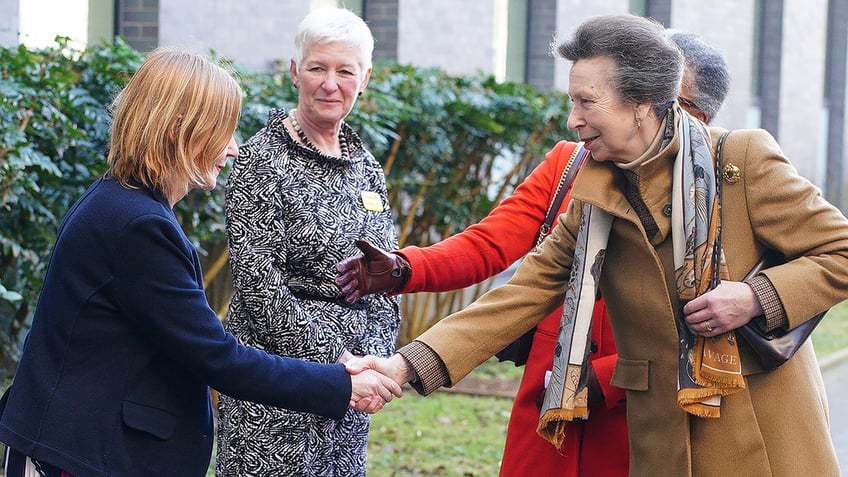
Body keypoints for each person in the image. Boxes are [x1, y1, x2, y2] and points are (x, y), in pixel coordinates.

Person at [347, 13, 847, 476]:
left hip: (760, 434)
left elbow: (840, 252)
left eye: (586, 102)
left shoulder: (741, 160)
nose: (572, 119)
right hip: (662, 444)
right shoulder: (596, 193)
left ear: (642, 103)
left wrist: (755, 297)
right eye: (573, 101)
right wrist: (404, 364)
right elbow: (520, 295)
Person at [0, 47, 400, 477]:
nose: (232, 150)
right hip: (75, 458)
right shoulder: (138, 225)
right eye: (222, 132)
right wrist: (341, 384)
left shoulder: (121, 203)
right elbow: (218, 357)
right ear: (178, 130)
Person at [214, 6, 399, 477]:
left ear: (366, 78)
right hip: (276, 391)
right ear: (296, 71)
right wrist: (337, 361)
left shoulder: (367, 168)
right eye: (317, 68)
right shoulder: (261, 161)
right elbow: (259, 286)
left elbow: (384, 275)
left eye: (345, 71)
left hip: (351, 396)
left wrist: (374, 364)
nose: (330, 83)